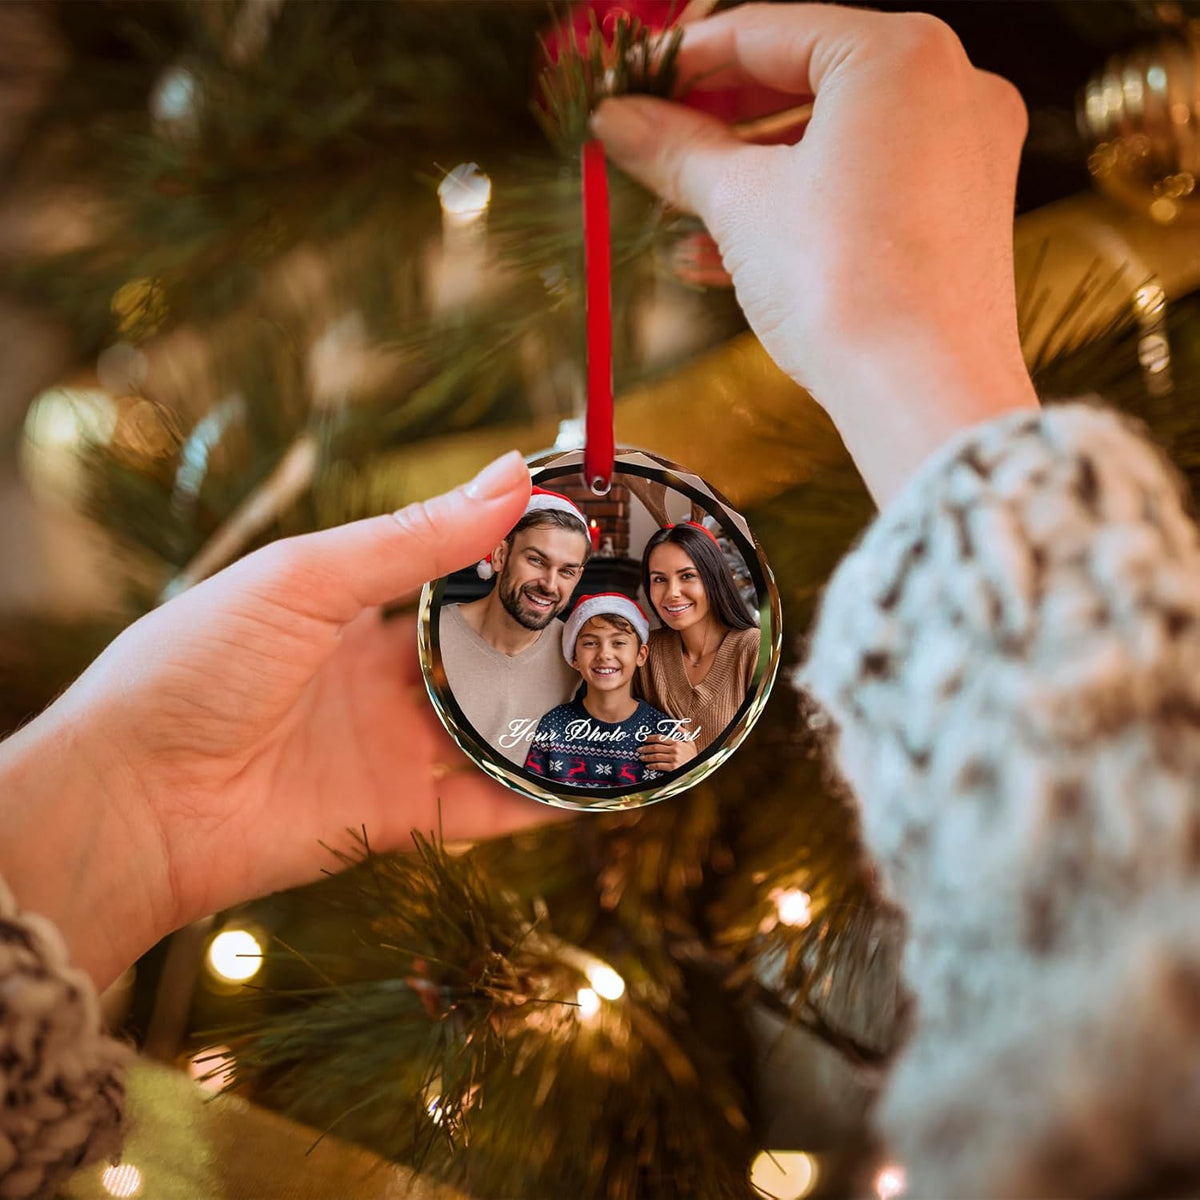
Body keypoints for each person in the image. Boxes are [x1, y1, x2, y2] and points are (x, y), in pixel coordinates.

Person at [2, 4, 1195, 1198]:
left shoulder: (668, 679)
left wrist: (123, 807)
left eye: (645, 608)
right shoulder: (532, 669)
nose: (627, 625)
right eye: (605, 610)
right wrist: (928, 379)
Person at [438, 487, 591, 765]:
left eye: (566, 571)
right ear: (499, 555)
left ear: (578, 577)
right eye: (536, 560)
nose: (549, 584)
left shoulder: (579, 652)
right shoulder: (431, 635)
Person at [635, 521, 759, 769]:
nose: (672, 593)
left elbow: (770, 767)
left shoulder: (752, 649)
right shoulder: (645, 653)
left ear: (713, 578)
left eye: (687, 576)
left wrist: (696, 767)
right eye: (659, 579)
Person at [524, 594, 673, 788]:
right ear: (574, 657)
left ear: (641, 655)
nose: (604, 654)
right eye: (590, 643)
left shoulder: (664, 734)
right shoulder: (552, 727)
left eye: (618, 643)